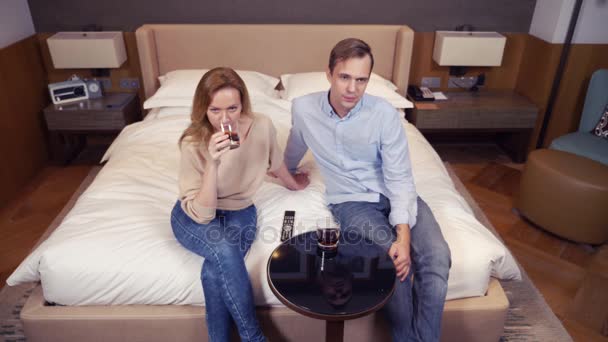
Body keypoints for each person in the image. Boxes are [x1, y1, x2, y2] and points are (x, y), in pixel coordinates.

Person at [284, 39, 451, 341]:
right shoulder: (304, 108)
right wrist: (287, 175)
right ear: (329, 73)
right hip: (351, 202)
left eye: (361, 80)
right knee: (393, 263)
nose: (352, 88)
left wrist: (404, 232)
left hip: (395, 192)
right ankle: (405, 336)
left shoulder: (385, 114)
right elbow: (293, 149)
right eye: (345, 77)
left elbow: (399, 176)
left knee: (438, 256)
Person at [170, 67, 309, 342]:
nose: (225, 119)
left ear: (243, 102)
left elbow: (275, 160)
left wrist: (292, 183)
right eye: (214, 111)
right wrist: (212, 162)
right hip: (194, 215)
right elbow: (204, 214)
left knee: (213, 272)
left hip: (240, 211)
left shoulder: (262, 125)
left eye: (232, 108)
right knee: (223, 249)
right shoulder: (192, 142)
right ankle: (254, 337)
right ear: (202, 109)